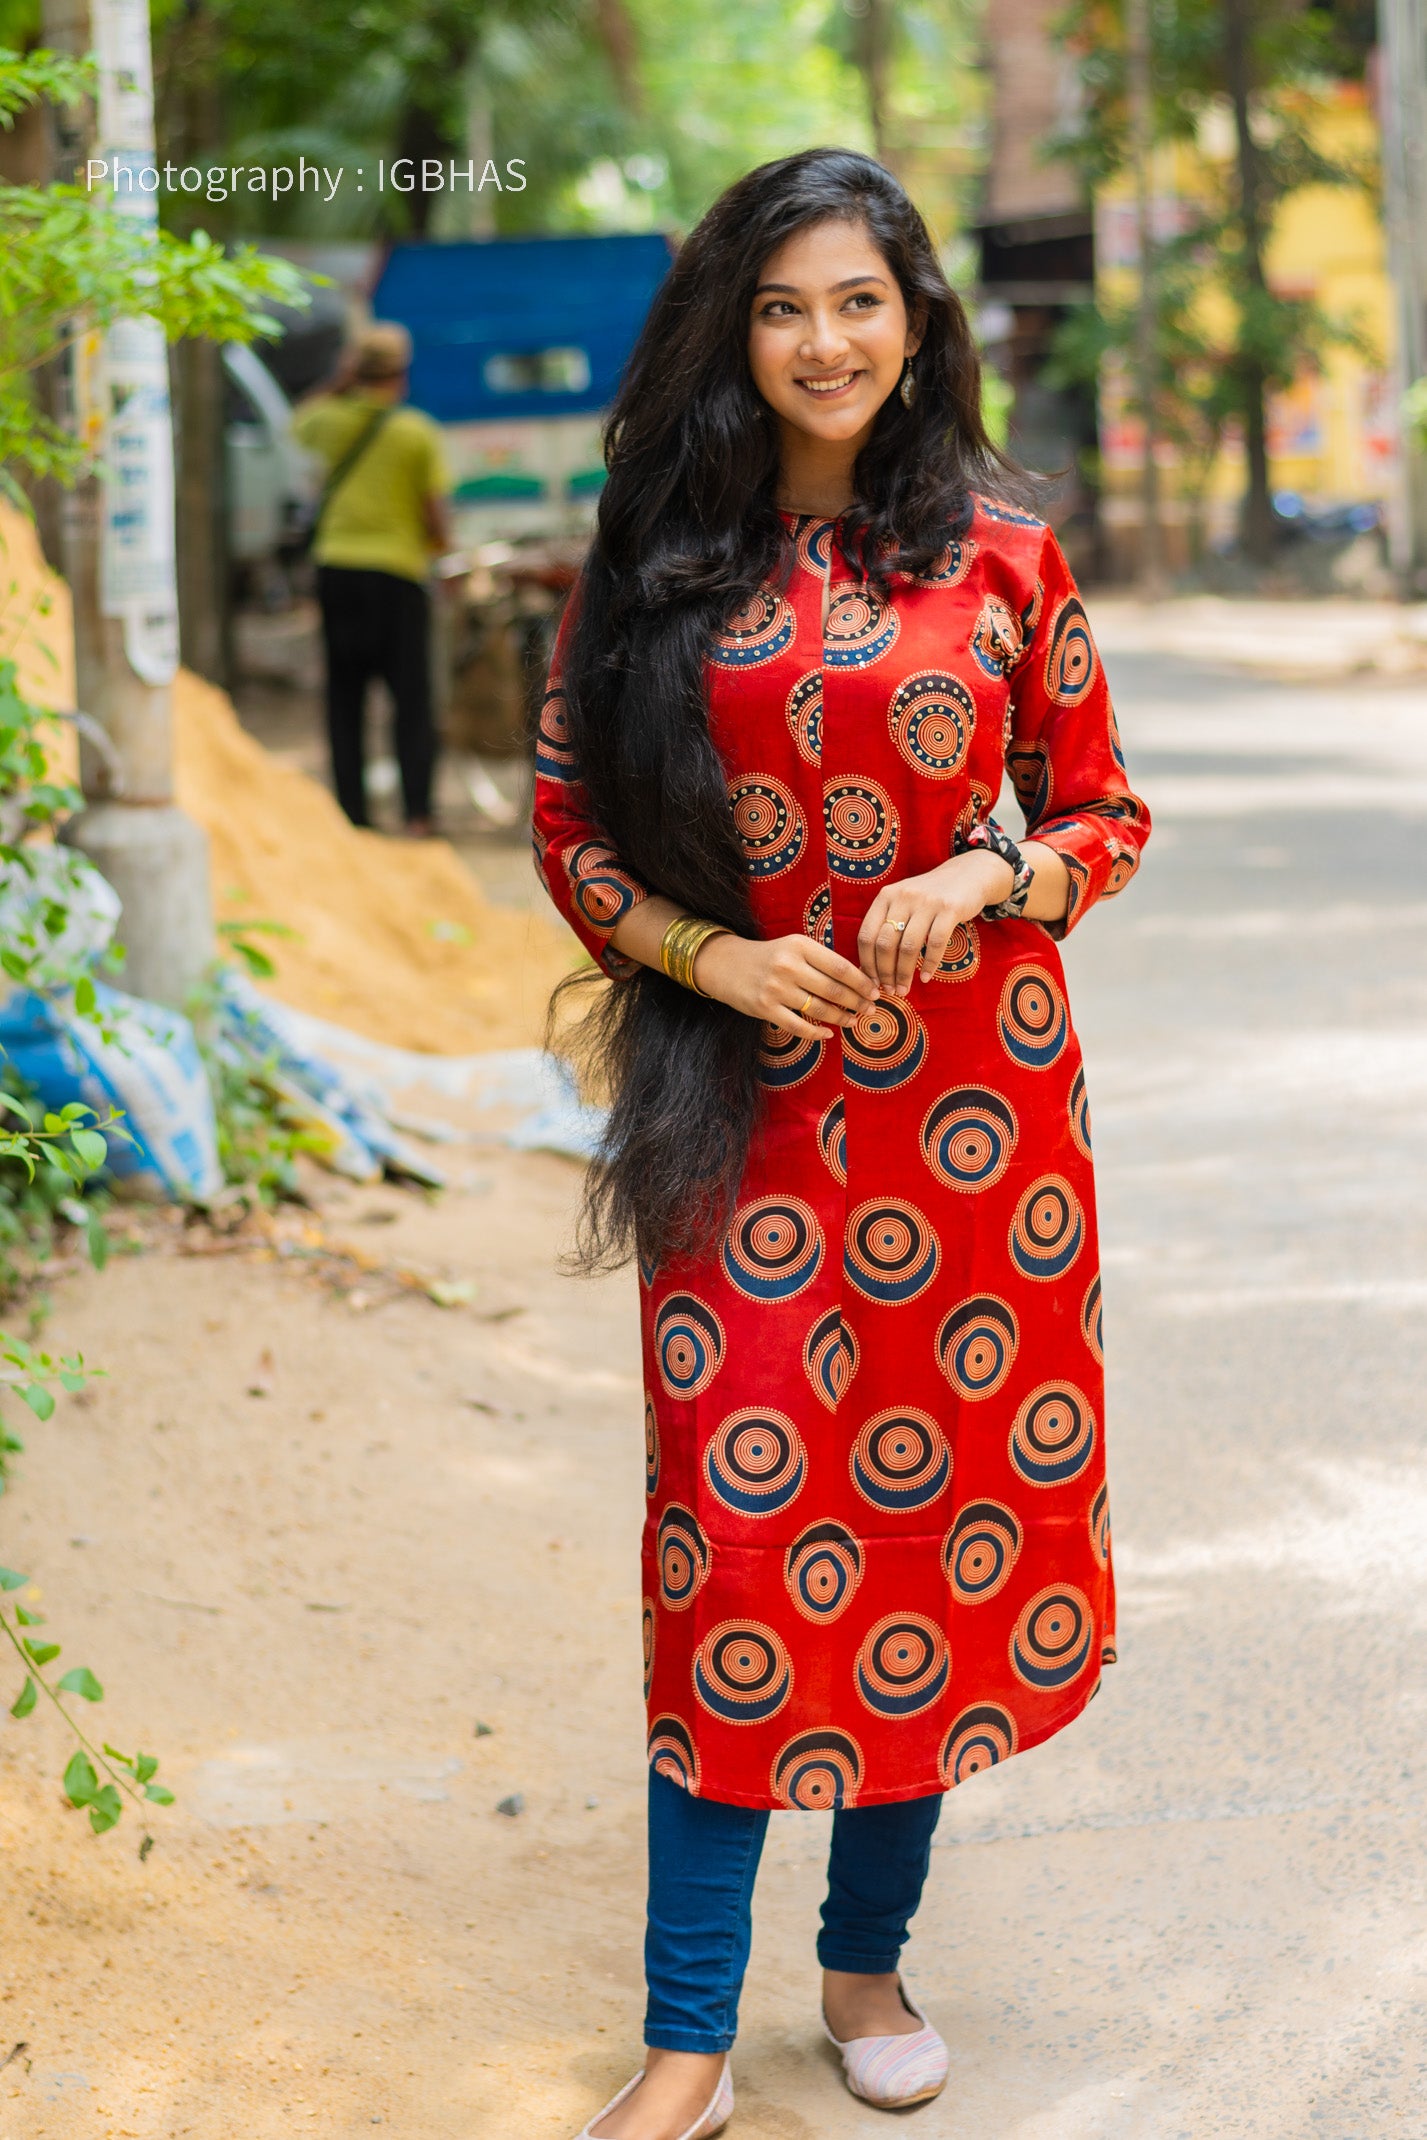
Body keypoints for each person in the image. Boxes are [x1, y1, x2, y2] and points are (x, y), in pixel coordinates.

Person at [532, 148, 1150, 2140]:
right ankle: (687, 2038)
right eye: (782, 305)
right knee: (728, 1552)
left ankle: (864, 1955)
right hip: (740, 1126)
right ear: (731, 326)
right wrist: (712, 951)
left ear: (913, 321)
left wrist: (983, 879)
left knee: (920, 1530)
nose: (820, 341)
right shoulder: (645, 555)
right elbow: (568, 833)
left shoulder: (999, 553)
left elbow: (1101, 818)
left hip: (975, 1139)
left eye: (856, 302)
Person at [293, 321, 451, 835]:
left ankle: (352, 815)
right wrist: (439, 550)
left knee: (344, 694)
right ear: (402, 374)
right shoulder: (416, 434)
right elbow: (435, 516)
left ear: (355, 371)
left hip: (336, 570)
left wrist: (339, 381)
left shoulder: (326, 421)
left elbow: (296, 421)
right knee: (410, 698)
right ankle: (417, 814)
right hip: (398, 575)